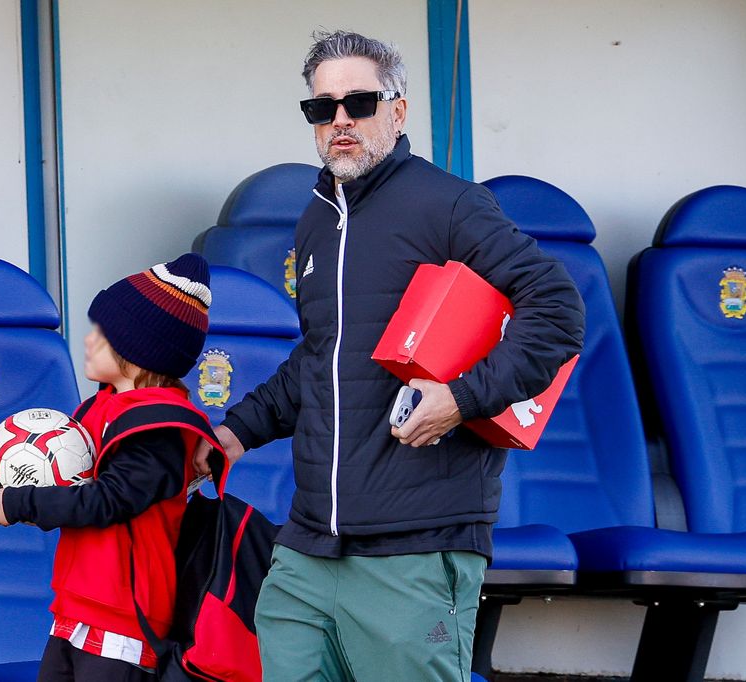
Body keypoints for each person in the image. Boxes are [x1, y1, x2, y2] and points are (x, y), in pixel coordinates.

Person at [192, 30, 585, 681]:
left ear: (398, 112)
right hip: (309, 547)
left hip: (417, 549)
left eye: (359, 102)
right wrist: (235, 432)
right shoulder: (316, 220)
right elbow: (320, 360)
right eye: (322, 108)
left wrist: (461, 399)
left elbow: (558, 311)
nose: (340, 120)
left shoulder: (449, 204)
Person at [0, 253, 218, 682]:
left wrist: (19, 503)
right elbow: (60, 486)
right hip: (76, 604)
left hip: (125, 617)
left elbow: (109, 500)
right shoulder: (97, 408)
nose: (88, 340)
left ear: (139, 354)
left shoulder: (160, 425)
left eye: (102, 334)